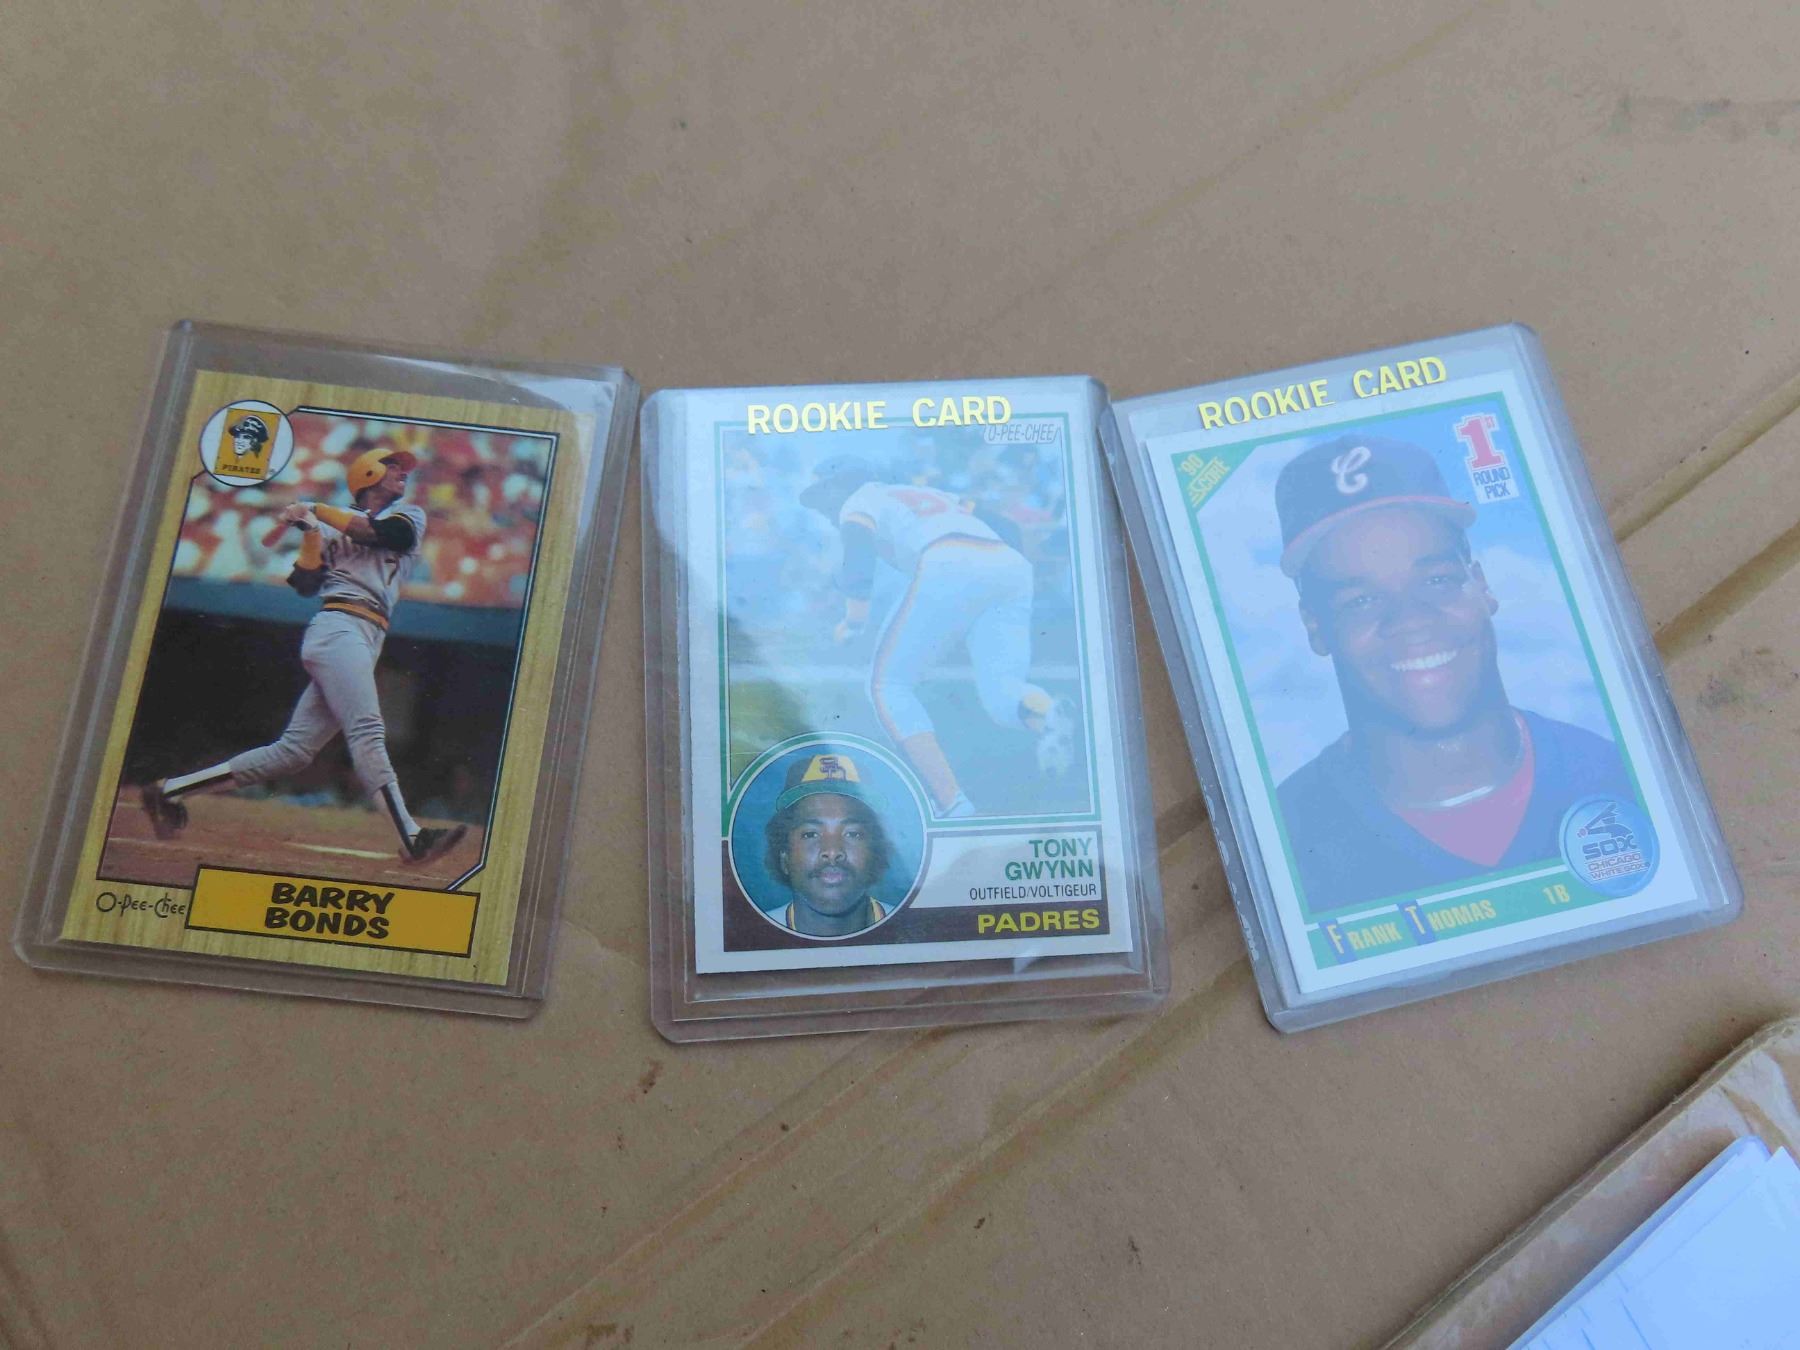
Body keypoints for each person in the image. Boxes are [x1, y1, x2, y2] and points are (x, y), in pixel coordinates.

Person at [1273, 435, 1633, 910]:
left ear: (1481, 586)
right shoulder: (1285, 843)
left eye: (1437, 580)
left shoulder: (1615, 776)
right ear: (1315, 627)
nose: (1410, 619)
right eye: (1360, 600)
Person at [139, 439, 467, 865]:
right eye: (393, 467)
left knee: (293, 752)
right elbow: (305, 584)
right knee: (367, 731)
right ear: (368, 475)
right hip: (339, 628)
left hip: (365, 634)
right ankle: (413, 838)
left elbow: (383, 535)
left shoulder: (407, 516)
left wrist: (314, 510)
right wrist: (312, 533)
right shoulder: (329, 526)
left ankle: (168, 791)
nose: (403, 472)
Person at [799, 456, 1074, 820]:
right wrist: (991, 588)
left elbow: (858, 556)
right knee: (1002, 693)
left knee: (886, 686)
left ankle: (951, 803)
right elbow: (1004, 525)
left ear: (841, 484)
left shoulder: (859, 500)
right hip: (1008, 565)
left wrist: (853, 621)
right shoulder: (930, 493)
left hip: (947, 559)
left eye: (822, 494)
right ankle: (1048, 717)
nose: (822, 508)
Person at [761, 751, 893, 937]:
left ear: (875, 854)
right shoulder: (752, 935)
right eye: (810, 834)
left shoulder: (911, 927)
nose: (832, 851)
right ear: (784, 858)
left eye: (852, 834)